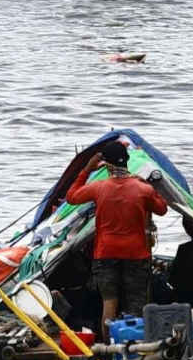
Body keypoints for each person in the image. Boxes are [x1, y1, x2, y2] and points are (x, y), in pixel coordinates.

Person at [66, 140, 169, 339]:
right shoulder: (142, 189)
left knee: (109, 304)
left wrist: (87, 169)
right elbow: (162, 209)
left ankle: (108, 347)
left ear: (105, 164)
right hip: (136, 254)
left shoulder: (99, 188)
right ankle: (133, 346)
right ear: (128, 160)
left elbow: (71, 196)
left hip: (106, 253)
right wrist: (148, 185)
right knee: (135, 307)